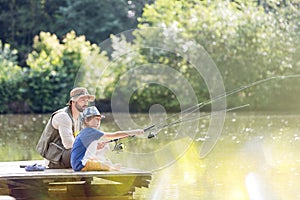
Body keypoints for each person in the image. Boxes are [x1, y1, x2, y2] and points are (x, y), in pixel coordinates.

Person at [36, 87, 95, 169]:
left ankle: (103, 165)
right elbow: (68, 144)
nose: (86, 103)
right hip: (54, 159)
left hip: (69, 154)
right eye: (82, 100)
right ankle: (105, 167)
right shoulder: (63, 116)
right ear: (73, 102)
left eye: (87, 100)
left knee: (95, 148)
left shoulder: (81, 117)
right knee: (85, 153)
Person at [71, 106, 144, 171]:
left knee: (103, 159)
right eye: (96, 119)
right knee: (104, 163)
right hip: (82, 165)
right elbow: (114, 135)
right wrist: (134, 132)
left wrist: (97, 147)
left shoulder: (84, 132)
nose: (98, 122)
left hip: (78, 164)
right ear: (86, 120)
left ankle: (108, 165)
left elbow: (84, 149)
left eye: (99, 120)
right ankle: (110, 168)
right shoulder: (91, 131)